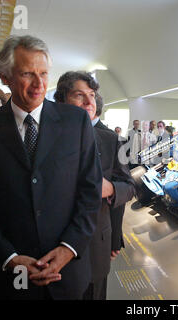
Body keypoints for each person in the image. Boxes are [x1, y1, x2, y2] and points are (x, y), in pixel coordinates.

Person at [0, 35, 102, 300]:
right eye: (28, 74)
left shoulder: (76, 122)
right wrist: (9, 256)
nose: (39, 84)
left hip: (68, 273)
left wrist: (68, 247)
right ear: (5, 77)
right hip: (8, 276)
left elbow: (89, 190)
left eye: (44, 73)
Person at [54, 71, 134, 300]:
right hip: (53, 245)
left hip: (95, 247)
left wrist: (108, 188)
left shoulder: (112, 140)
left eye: (92, 95)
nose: (90, 102)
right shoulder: (42, 139)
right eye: (80, 96)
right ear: (61, 100)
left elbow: (129, 186)